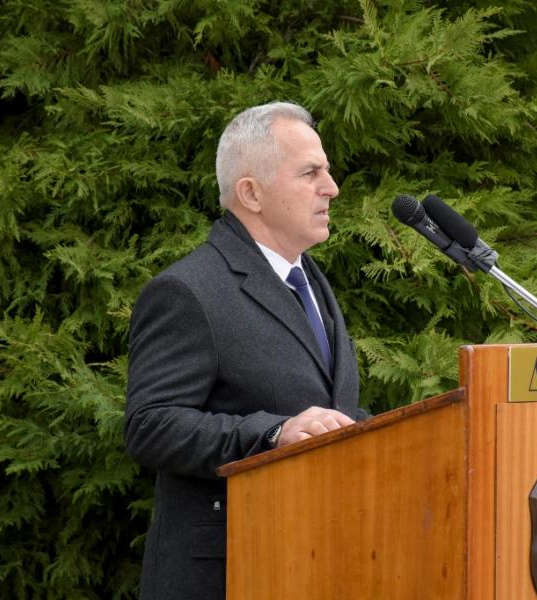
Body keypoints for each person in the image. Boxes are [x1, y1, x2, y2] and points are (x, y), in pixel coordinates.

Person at [124, 101, 366, 600]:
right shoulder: (189, 291)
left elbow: (326, 412)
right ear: (251, 193)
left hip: (315, 562)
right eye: (310, 173)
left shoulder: (310, 282)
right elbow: (150, 425)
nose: (331, 187)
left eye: (326, 171)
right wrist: (274, 433)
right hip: (229, 571)